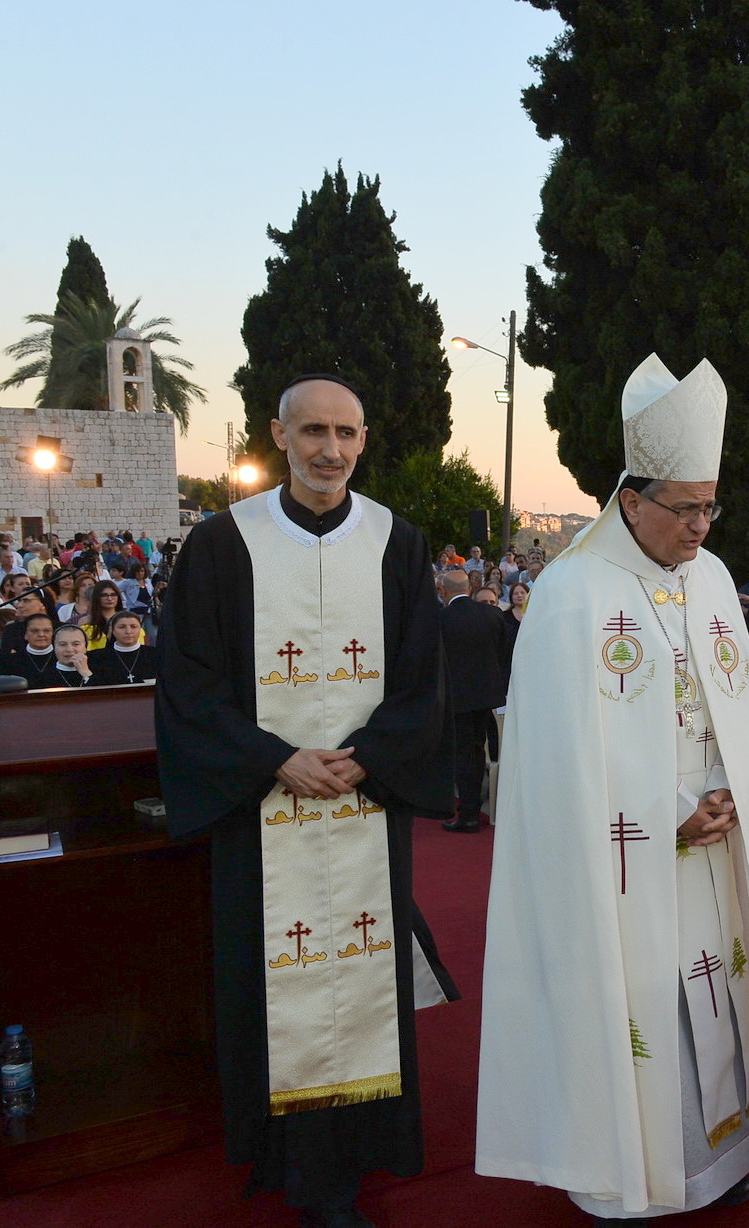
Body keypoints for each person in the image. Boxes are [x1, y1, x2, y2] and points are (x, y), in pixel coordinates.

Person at [477, 354, 749, 1220]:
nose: (703, 527)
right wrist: (666, 812)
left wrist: (727, 793)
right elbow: (558, 770)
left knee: (723, 983)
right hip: (631, 855)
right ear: (631, 501)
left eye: (711, 506)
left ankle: (717, 1158)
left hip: (717, 842)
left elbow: (738, 712)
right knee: (648, 1006)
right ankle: (632, 1174)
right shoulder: (571, 595)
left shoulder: (713, 581)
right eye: (686, 509)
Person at [155, 374, 458, 1227]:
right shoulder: (222, 546)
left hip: (365, 809)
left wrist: (366, 761)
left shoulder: (399, 544)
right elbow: (190, 684)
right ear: (278, 436)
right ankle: (291, 1164)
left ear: (364, 442)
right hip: (262, 816)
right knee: (271, 986)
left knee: (364, 984)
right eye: (314, 432)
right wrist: (274, 759)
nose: (332, 450)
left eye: (348, 434)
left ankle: (361, 1159)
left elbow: (420, 681)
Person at [438, 569, 507, 834]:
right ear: (470, 588)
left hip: (456, 700)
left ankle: (468, 814)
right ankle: (470, 810)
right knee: (477, 753)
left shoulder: (441, 619)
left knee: (464, 756)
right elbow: (502, 654)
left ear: (443, 591)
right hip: (486, 698)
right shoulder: (492, 615)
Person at [87, 610, 155, 684]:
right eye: (122, 627)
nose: (128, 631)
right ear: (113, 630)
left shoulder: (155, 654)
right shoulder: (96, 657)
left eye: (133, 627)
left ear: (140, 629)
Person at [0, 613, 60, 688]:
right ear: (25, 634)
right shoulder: (10, 661)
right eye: (34, 631)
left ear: (53, 633)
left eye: (46, 630)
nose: (41, 634)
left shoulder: (62, 658)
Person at [82, 577, 128, 651]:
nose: (110, 598)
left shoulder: (126, 619)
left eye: (113, 595)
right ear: (97, 597)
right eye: (104, 595)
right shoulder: (86, 621)